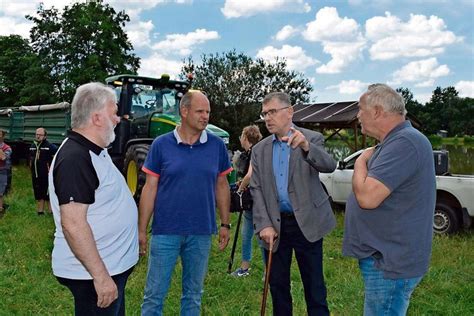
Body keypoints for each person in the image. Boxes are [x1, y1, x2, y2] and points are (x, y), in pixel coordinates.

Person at [343, 84, 436, 316]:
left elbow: (367, 197)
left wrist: (360, 163)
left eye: (360, 109)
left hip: (390, 264)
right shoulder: (397, 141)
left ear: (376, 111)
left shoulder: (405, 142)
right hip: (384, 259)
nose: (358, 115)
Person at [139, 90, 232, 315]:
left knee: (193, 295)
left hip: (200, 232)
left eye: (208, 112)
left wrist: (225, 223)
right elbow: (149, 188)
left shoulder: (216, 146)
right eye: (200, 111)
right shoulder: (161, 144)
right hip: (165, 231)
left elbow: (222, 185)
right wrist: (141, 229)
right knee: (154, 295)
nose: (205, 116)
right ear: (184, 111)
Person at [49, 82, 138, 315]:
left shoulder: (95, 150)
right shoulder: (75, 158)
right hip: (93, 275)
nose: (118, 119)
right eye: (114, 112)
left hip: (110, 266)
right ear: (97, 118)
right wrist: (101, 277)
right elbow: (73, 224)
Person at [251, 92, 337, 316]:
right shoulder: (259, 150)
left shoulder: (312, 138)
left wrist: (307, 147)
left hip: (307, 223)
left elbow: (329, 165)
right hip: (275, 226)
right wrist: (263, 224)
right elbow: (256, 188)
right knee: (278, 287)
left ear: (289, 112)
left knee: (315, 287)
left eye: (272, 112)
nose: (267, 118)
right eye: (264, 113)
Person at [231, 125, 265, 277]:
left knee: (259, 235)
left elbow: (250, 175)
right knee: (247, 234)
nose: (240, 139)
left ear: (246, 138)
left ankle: (268, 271)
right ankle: (245, 267)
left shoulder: (256, 151)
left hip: (257, 200)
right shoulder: (257, 151)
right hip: (253, 199)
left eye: (241, 136)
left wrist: (240, 189)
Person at [29, 127, 57, 215]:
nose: (38, 136)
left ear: (45, 136)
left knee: (48, 192)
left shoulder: (49, 146)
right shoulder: (33, 146)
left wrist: (52, 168)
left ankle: (51, 211)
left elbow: (57, 156)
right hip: (36, 174)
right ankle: (40, 211)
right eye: (36, 134)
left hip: (46, 174)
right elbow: (31, 159)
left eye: (40, 135)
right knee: (38, 192)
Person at [0, 129, 12, 218]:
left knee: (0, 193)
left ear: (3, 137)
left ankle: (0, 210)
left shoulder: (7, 148)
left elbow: (3, 157)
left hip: (2, 172)